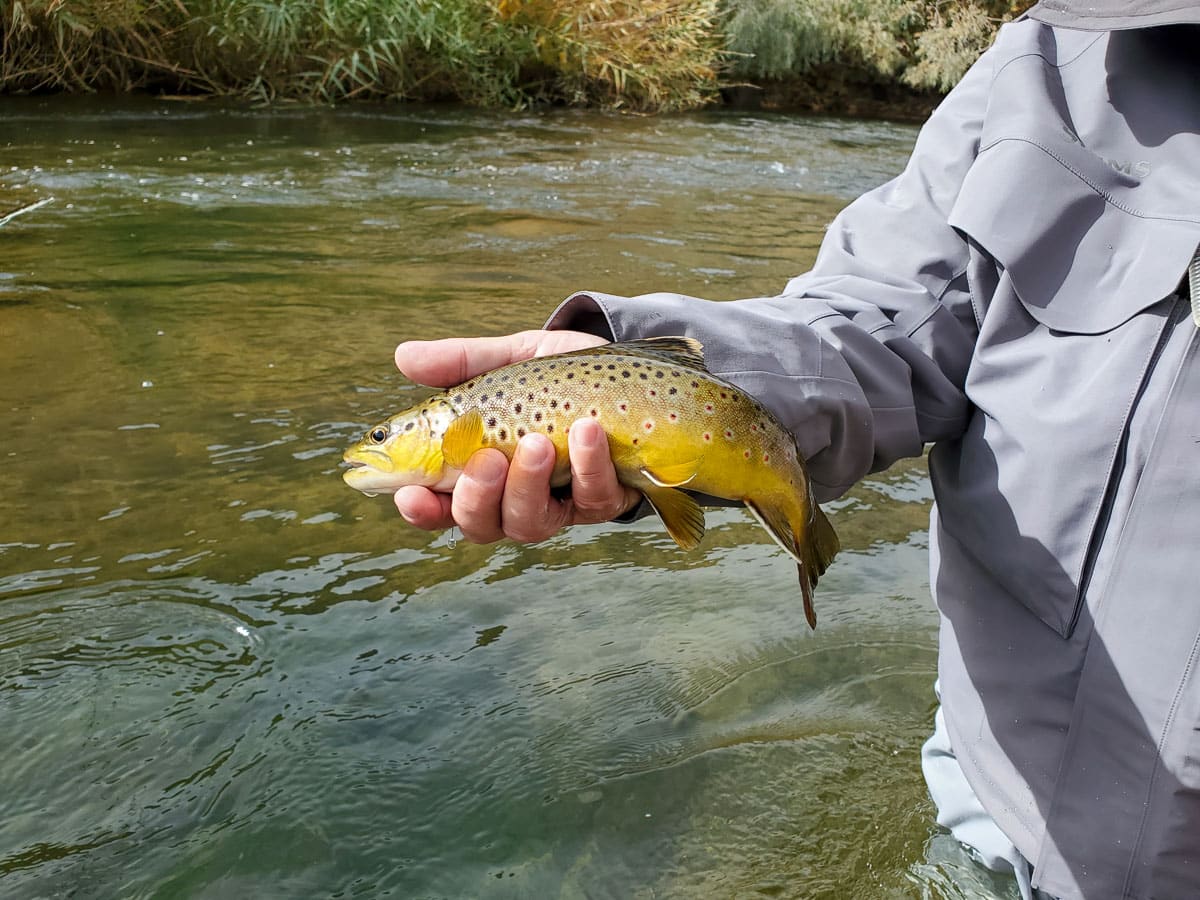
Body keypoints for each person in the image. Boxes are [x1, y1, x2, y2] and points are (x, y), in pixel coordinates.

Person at [390, 3, 1200, 898]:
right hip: (992, 813)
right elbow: (887, 317)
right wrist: (658, 395)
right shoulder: (1057, 53)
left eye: (388, 437)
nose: (380, 449)